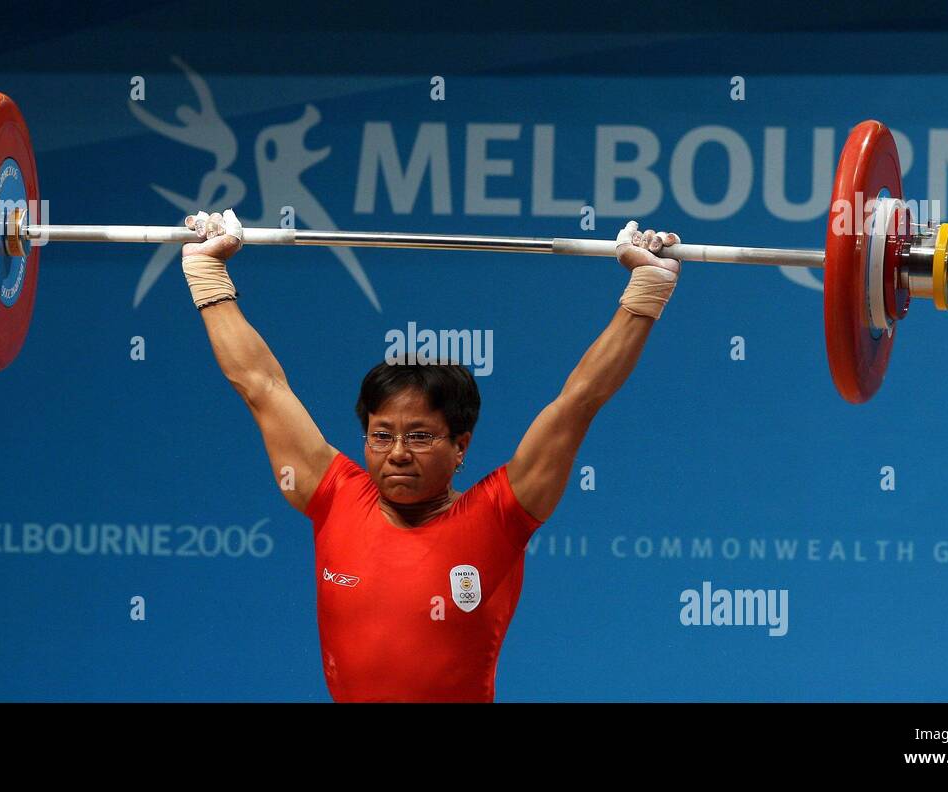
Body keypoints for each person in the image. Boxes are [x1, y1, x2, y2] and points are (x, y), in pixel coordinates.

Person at [181, 210, 681, 701]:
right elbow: (261, 386)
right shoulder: (331, 494)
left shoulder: (502, 513)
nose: (396, 453)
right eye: (381, 436)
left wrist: (647, 288)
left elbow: (580, 400)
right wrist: (207, 273)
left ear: (460, 446)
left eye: (419, 437)